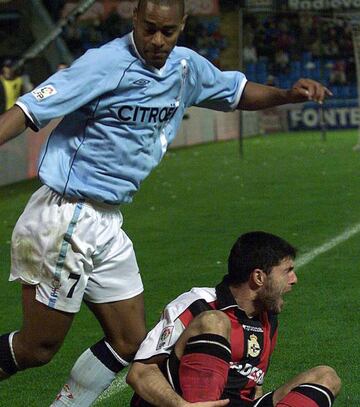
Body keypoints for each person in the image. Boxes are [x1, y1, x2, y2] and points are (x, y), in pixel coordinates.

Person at [0, 0, 332, 405]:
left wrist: (286, 94)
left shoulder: (186, 68)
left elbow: (237, 91)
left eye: (168, 32)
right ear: (135, 19)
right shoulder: (103, 63)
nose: (158, 40)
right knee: (38, 348)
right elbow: (27, 109)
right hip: (64, 215)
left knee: (130, 342)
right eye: (150, 29)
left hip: (107, 222)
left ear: (183, 26)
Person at [127, 231, 341, 407]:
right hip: (182, 403)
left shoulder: (267, 319)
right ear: (259, 277)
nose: (294, 280)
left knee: (326, 376)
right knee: (215, 322)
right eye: (287, 271)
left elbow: (254, 384)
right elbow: (140, 372)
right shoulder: (198, 305)